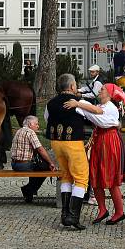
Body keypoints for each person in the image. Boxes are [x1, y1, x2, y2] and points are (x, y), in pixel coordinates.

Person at [64, 83, 125, 225]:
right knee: (95, 175)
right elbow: (92, 113)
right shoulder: (101, 106)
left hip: (110, 141)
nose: (99, 91)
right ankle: (102, 209)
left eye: (102, 90)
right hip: (99, 140)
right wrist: (78, 104)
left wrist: (79, 103)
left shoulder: (111, 107)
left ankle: (119, 212)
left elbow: (97, 114)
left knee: (112, 179)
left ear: (109, 94)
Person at [45, 73, 89, 230]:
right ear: (72, 86)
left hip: (56, 142)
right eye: (75, 84)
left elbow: (46, 118)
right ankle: (73, 216)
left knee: (66, 176)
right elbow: (92, 117)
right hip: (73, 142)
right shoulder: (77, 102)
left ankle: (64, 214)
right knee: (82, 178)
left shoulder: (50, 103)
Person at [11, 116, 57, 203]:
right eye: (36, 124)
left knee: (37, 165)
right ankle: (29, 189)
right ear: (30, 124)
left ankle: (29, 190)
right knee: (46, 167)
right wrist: (50, 162)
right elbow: (40, 149)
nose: (38, 126)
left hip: (14, 164)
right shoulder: (30, 132)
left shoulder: (19, 131)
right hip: (24, 165)